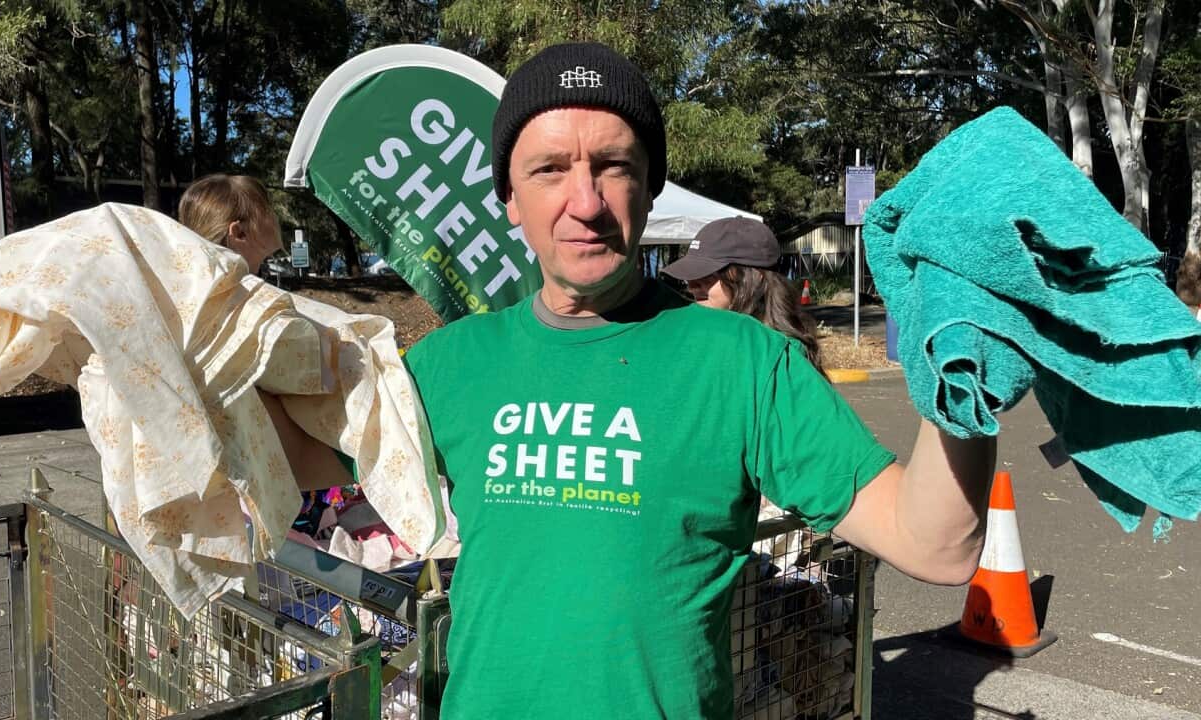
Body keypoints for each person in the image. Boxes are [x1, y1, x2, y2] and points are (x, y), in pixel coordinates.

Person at [401, 42, 995, 719]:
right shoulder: (445, 363)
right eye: (549, 170)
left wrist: (962, 346)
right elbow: (304, 457)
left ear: (650, 188)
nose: (586, 202)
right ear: (509, 198)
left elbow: (938, 546)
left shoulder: (744, 362)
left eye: (615, 166)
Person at [177, 173, 351, 493]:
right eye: (266, 208)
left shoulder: (193, 292)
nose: (274, 217)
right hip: (269, 468)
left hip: (233, 467)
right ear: (239, 232)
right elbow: (307, 368)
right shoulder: (238, 297)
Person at [664, 216, 824, 374]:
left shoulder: (781, 357)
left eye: (707, 277)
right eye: (691, 276)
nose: (691, 287)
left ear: (755, 278)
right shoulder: (698, 339)